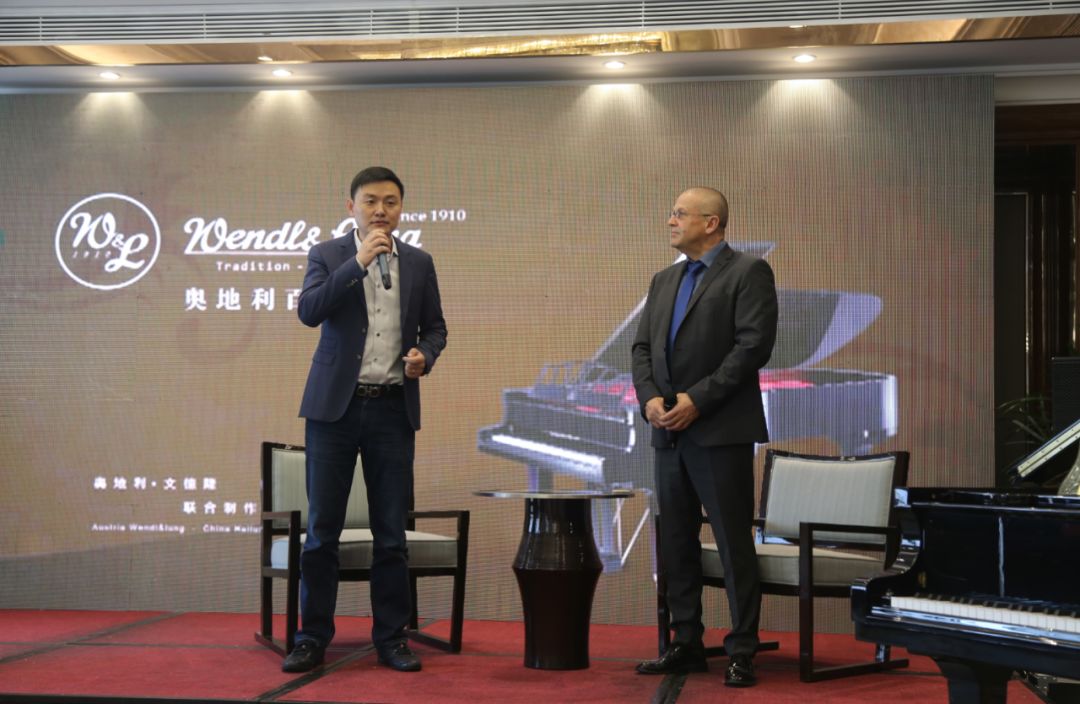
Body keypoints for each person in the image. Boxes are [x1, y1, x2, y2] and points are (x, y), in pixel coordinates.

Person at [281, 166, 447, 674]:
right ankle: (312, 638)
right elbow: (309, 310)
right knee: (322, 531)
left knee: (391, 534)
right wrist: (358, 263)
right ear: (350, 206)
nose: (380, 210)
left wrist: (423, 355)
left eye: (390, 202)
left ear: (401, 208)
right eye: (371, 201)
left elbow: (436, 328)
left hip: (393, 409)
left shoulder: (419, 262)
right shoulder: (327, 255)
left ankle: (392, 639)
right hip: (334, 409)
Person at [631, 187, 777, 687]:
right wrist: (649, 399)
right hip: (668, 433)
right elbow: (642, 349)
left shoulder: (748, 272)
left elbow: (752, 347)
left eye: (680, 213)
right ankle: (686, 643)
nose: (670, 221)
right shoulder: (663, 279)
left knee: (733, 542)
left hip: (719, 430)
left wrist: (697, 399)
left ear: (711, 223)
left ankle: (742, 650)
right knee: (676, 541)